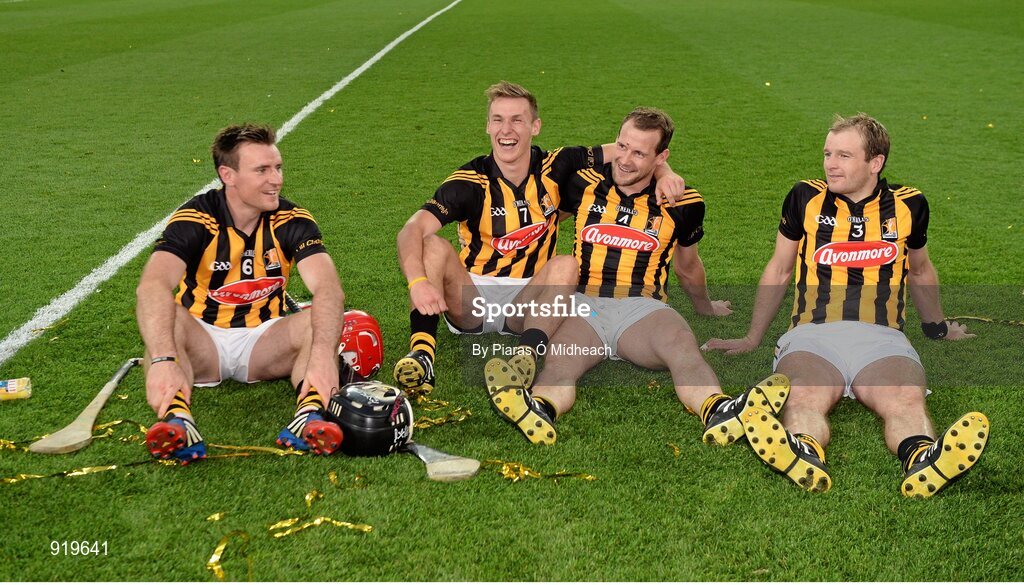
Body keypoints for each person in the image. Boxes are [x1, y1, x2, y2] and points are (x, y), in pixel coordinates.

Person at [704, 113, 989, 497]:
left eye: (843, 155)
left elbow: (920, 271)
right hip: (813, 335)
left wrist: (937, 328)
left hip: (882, 337)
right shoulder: (805, 196)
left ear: (875, 162)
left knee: (905, 397)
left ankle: (922, 458)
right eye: (827, 154)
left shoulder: (909, 205)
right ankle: (802, 450)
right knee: (804, 393)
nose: (830, 164)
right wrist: (752, 337)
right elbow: (780, 267)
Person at [485, 107, 790, 446]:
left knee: (682, 347)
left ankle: (718, 410)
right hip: (583, 304)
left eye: (640, 153)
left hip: (641, 309)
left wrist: (705, 306)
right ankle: (540, 408)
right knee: (559, 362)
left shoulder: (684, 202)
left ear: (662, 157)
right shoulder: (582, 182)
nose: (625, 160)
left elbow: (688, 267)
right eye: (622, 146)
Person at [394, 82, 686, 397]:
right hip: (471, 299)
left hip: (529, 302)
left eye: (517, 119)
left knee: (565, 264)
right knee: (434, 245)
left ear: (535, 126)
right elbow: (411, 230)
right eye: (498, 119)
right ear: (488, 126)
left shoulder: (558, 165)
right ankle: (422, 355)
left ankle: (526, 355)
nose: (507, 129)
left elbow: (630, 150)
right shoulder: (469, 182)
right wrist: (417, 282)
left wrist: (665, 172)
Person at [136, 123, 347, 464]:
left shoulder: (293, 220)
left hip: (264, 342)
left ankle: (308, 416)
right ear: (228, 175)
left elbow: (328, 288)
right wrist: (162, 359)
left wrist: (323, 356)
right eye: (262, 170)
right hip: (202, 339)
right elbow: (152, 285)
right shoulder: (196, 219)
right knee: (168, 316)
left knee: (315, 321)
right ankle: (178, 420)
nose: (276, 179)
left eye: (277, 167)